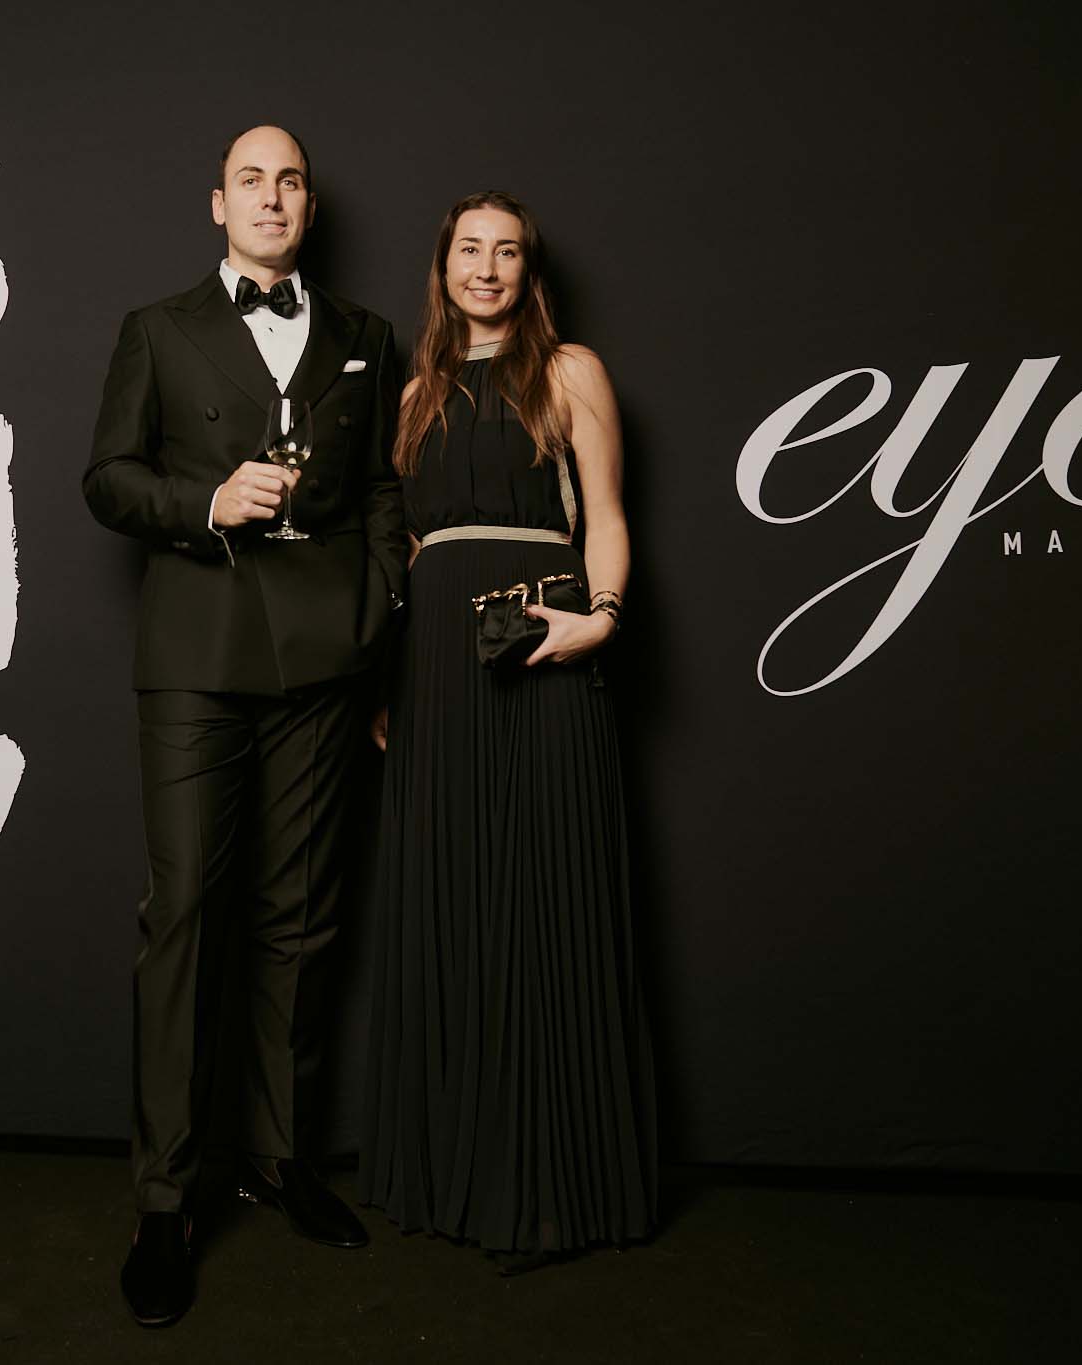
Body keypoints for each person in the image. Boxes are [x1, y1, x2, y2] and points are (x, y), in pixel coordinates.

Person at [83, 124, 408, 1327]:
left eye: (290, 182)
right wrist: (205, 501)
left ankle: (278, 1159)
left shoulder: (367, 335)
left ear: (308, 206)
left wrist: (373, 626)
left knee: (302, 920)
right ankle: (164, 1202)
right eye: (250, 181)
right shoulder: (156, 329)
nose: (272, 198)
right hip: (196, 656)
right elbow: (106, 478)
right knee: (184, 918)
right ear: (216, 203)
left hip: (324, 661)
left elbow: (383, 493)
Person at [358, 191, 656, 1268]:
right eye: (469, 251)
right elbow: (402, 555)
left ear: (529, 272)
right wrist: (387, 682)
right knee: (453, 900)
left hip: (543, 644)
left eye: (508, 252)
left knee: (545, 900)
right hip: (435, 669)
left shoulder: (569, 372)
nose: (486, 268)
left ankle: (554, 1190)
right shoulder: (412, 394)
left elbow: (608, 517)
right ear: (442, 267)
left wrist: (601, 621)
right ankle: (455, 1177)